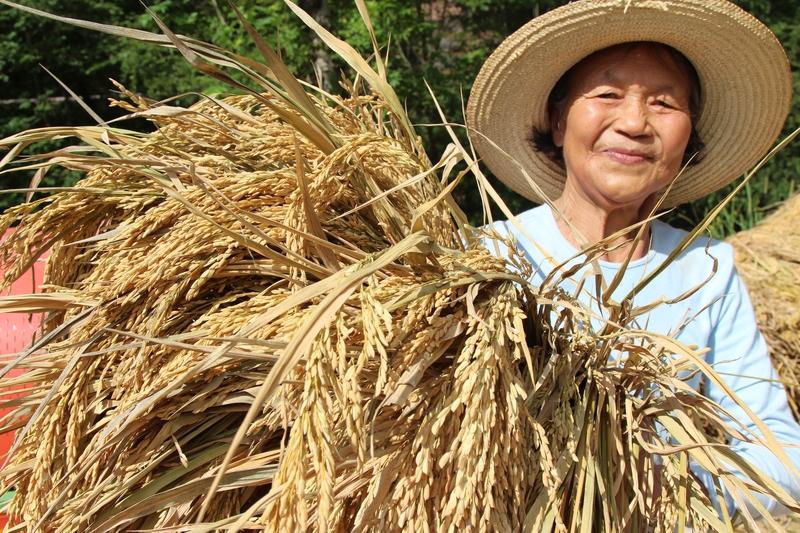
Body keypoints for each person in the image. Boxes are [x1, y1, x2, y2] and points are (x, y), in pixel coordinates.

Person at [466, 0, 800, 519]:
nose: (635, 122)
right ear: (558, 122)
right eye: (607, 94)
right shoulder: (487, 255)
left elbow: (785, 454)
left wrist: (651, 485)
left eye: (665, 103)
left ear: (688, 138)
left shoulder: (707, 268)